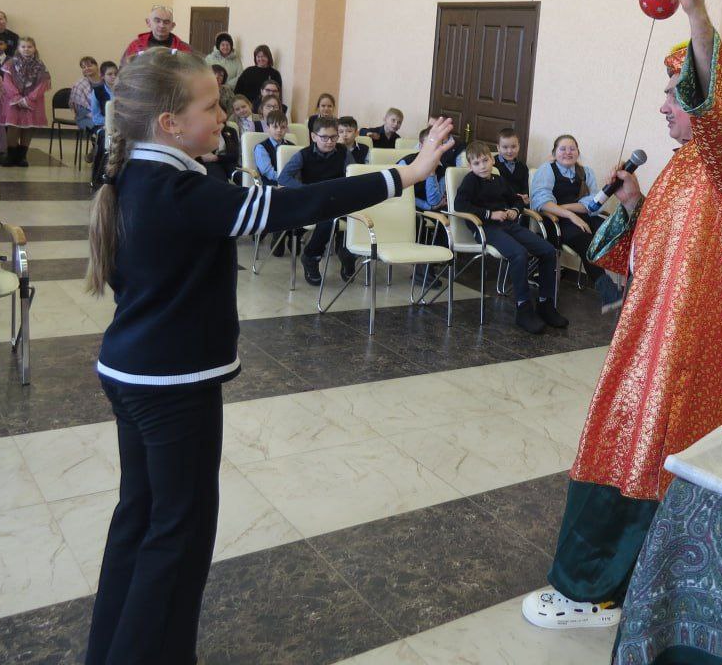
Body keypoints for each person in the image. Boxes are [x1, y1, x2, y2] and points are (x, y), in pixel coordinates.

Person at [82, 48, 454, 665]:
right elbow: (296, 204)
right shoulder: (181, 191)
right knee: (177, 537)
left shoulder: (138, 177)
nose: (223, 115)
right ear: (169, 122)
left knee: (139, 521)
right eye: (210, 106)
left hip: (132, 372)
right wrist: (404, 175)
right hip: (172, 385)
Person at [522, 0, 722, 630]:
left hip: (678, 349)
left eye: (673, 95)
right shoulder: (688, 163)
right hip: (652, 333)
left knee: (639, 447)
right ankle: (643, 581)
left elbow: (721, 101)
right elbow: (653, 246)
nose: (663, 105)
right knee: (642, 446)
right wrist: (632, 203)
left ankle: (598, 591)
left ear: (709, 107)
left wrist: (695, 10)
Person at [455, 140, 566, 334]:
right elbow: (460, 205)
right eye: (477, 163)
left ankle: (545, 303)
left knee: (548, 251)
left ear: (492, 160)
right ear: (470, 166)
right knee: (518, 254)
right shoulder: (470, 181)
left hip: (507, 225)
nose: (482, 166)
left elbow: (515, 199)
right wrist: (490, 214)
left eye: (485, 161)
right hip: (485, 228)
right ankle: (523, 308)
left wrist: (515, 210)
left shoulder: (498, 179)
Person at [530, 134, 623, 310]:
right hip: (556, 221)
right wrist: (570, 214)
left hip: (582, 217)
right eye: (563, 149)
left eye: (572, 149)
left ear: (578, 152)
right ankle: (609, 293)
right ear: (554, 153)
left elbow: (594, 204)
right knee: (586, 240)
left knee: (610, 232)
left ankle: (630, 289)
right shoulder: (547, 170)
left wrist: (567, 207)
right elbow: (542, 202)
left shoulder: (586, 172)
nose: (568, 152)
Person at [277, 116, 360, 286]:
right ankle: (311, 256)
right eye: (325, 138)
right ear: (314, 136)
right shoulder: (303, 155)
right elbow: (283, 177)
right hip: (312, 200)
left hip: (336, 198)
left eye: (334, 137)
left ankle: (347, 252)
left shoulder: (344, 152)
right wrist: (305, 189)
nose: (330, 142)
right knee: (328, 220)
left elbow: (353, 176)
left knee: (359, 216)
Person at [0, 37, 52, 167]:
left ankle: (22, 156)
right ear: (18, 48)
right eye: (23, 46)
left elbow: (42, 84)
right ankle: (11, 155)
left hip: (33, 101)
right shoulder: (10, 63)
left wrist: (29, 99)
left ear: (34, 48)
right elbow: (7, 82)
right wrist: (17, 97)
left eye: (29, 47)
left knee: (28, 127)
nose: (26, 49)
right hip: (14, 101)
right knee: (13, 127)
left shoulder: (40, 65)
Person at [120, 5, 191, 65]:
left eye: (166, 22)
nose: (162, 25)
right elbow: (123, 71)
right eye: (157, 21)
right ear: (148, 22)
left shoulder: (183, 49)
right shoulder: (135, 46)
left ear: (172, 26)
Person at [396, 126, 446, 211]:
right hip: (405, 208)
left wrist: (431, 172)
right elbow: (402, 195)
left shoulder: (443, 169)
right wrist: (427, 207)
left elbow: (434, 202)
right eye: (429, 146)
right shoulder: (406, 163)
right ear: (420, 146)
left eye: (438, 146)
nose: (434, 149)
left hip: (430, 213)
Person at [254, 110, 293, 186]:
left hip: (291, 184)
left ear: (286, 129)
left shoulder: (292, 146)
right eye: (275, 127)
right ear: (268, 127)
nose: (279, 130)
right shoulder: (261, 148)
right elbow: (268, 172)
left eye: (283, 127)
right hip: (272, 186)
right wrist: (287, 179)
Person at [494, 128, 529, 203]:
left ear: (518, 146)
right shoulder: (492, 164)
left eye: (513, 147)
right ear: (498, 148)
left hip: (518, 203)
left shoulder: (522, 166)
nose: (509, 151)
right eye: (505, 147)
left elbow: (525, 186)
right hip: (499, 203)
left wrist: (525, 195)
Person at [72, 57, 101, 133]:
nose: (86, 68)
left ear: (97, 66)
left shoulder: (105, 81)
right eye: (83, 67)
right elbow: (80, 110)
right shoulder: (79, 85)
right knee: (101, 129)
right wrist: (97, 117)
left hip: (105, 114)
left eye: (89, 66)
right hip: (86, 117)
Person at [90, 62, 118, 128]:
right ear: (102, 76)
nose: (114, 76)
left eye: (116, 74)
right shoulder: (97, 91)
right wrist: (111, 122)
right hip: (104, 125)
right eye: (110, 74)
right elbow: (96, 117)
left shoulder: (124, 91)